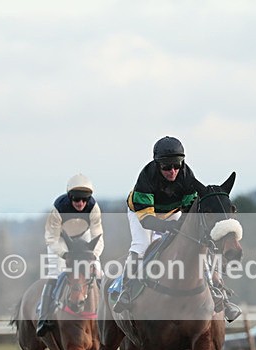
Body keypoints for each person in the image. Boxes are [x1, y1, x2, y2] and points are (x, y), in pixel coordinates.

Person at [114, 136, 241, 321]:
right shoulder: (146, 177)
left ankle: (218, 290)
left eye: (176, 165)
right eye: (167, 167)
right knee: (141, 245)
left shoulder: (187, 177)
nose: (172, 171)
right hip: (142, 213)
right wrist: (168, 226)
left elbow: (189, 211)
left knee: (195, 246)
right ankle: (125, 289)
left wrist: (182, 227)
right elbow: (147, 220)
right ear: (158, 165)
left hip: (172, 211)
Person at [36, 173, 104, 336]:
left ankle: (106, 312)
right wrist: (65, 254)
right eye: (76, 199)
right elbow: (51, 238)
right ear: (70, 197)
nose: (81, 203)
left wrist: (93, 256)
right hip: (60, 240)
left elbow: (98, 236)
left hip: (83, 237)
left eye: (84, 200)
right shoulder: (58, 208)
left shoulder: (94, 208)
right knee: (55, 272)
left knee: (99, 272)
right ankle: (44, 317)